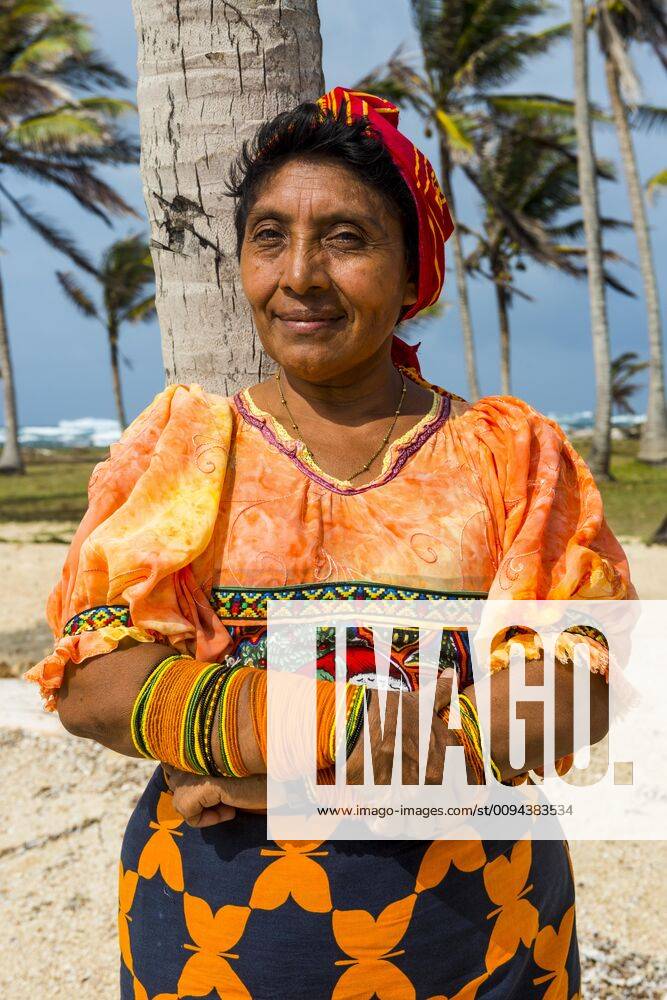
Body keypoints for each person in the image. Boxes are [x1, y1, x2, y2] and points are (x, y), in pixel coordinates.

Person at [27, 88, 634, 999]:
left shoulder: (512, 457)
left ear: (413, 266)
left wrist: (263, 766)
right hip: (217, 940)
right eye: (269, 236)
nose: (299, 274)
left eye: (346, 239)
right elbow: (95, 682)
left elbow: (574, 690)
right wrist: (362, 733)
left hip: (481, 932)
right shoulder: (185, 451)